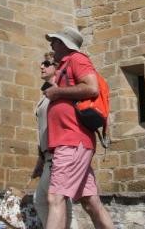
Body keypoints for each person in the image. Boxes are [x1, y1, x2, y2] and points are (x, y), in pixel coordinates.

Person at [43, 28, 116, 229]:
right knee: (91, 203)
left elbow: (92, 88)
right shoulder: (64, 66)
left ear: (66, 44)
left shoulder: (77, 59)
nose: (51, 45)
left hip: (72, 141)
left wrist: (57, 92)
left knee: (55, 197)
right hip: (71, 142)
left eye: (55, 42)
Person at [33, 53, 72, 228]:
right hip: (48, 157)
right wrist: (40, 160)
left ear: (57, 67)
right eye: (41, 64)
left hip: (58, 155)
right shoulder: (46, 95)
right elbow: (43, 130)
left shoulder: (58, 95)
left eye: (46, 63)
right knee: (43, 200)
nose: (42, 66)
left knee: (52, 200)